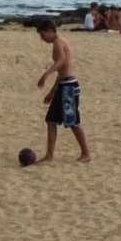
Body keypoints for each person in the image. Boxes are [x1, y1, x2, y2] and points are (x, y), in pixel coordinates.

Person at [34, 18, 88, 162]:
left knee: (73, 122)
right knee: (51, 120)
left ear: (50, 31)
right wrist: (53, 91)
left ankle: (86, 153)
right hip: (63, 84)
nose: (42, 38)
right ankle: (49, 155)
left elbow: (62, 61)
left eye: (43, 34)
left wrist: (46, 74)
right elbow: (61, 73)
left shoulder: (58, 42)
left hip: (69, 86)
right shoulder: (58, 42)